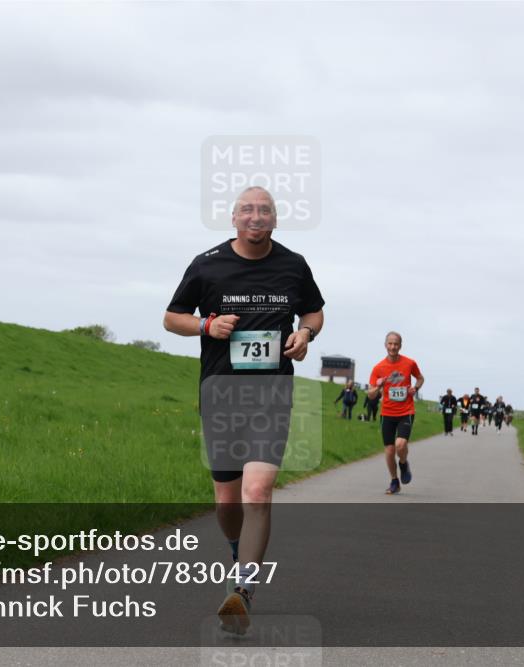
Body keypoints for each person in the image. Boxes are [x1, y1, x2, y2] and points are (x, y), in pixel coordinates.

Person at [163, 186, 324, 635]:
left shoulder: (293, 265)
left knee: (258, 491)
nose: (256, 216)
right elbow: (172, 317)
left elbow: (314, 312)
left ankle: (243, 591)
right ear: (234, 218)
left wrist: (306, 335)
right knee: (227, 500)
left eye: (264, 210)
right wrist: (206, 325)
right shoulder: (207, 264)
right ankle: (237, 549)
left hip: (271, 394)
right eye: (247, 210)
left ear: (275, 219)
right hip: (221, 396)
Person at [367, 332, 425, 494]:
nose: (393, 347)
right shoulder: (378, 368)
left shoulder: (409, 363)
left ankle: (404, 463)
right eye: (390, 344)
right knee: (390, 450)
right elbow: (370, 394)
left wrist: (416, 388)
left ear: (400, 345)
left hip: (406, 410)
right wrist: (378, 386)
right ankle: (394, 481)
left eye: (396, 344)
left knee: (400, 444)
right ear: (386, 345)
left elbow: (420, 378)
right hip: (387, 413)